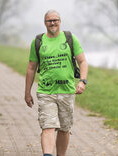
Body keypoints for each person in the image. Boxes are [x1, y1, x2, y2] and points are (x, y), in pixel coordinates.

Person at [25, 10, 88, 156]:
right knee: (48, 126)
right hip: (46, 92)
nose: (52, 23)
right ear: (45, 23)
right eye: (49, 20)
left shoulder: (70, 38)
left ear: (60, 21)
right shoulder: (38, 42)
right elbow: (31, 67)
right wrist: (27, 92)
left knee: (64, 129)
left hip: (67, 91)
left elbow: (82, 61)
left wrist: (82, 81)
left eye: (55, 20)